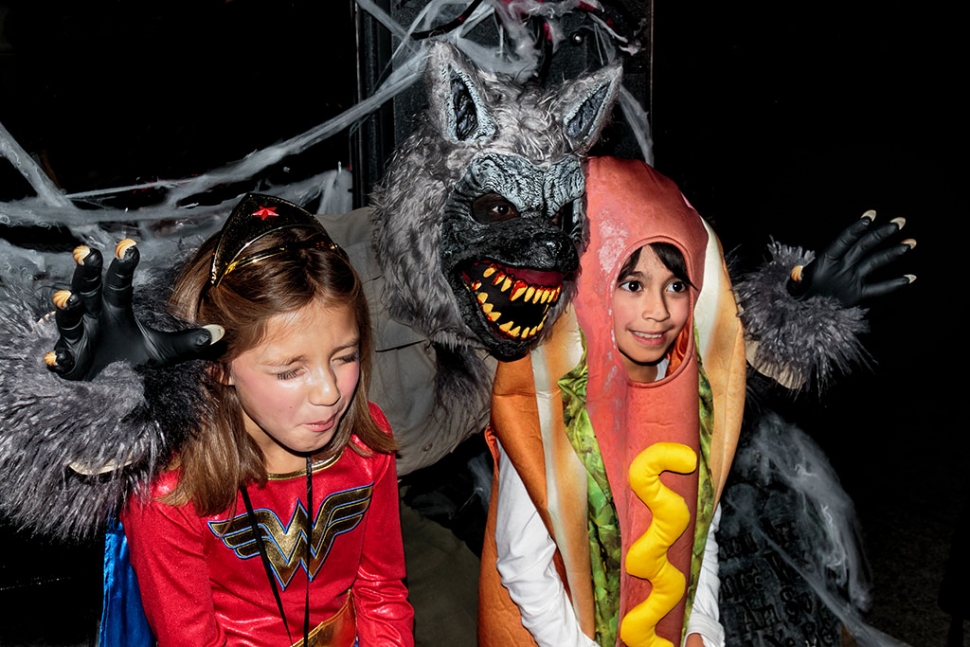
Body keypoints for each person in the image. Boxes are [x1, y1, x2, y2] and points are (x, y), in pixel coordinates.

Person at [118, 194, 414, 646]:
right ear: (218, 366)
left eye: (345, 357)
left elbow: (381, 592)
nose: (330, 392)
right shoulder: (171, 491)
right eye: (290, 371)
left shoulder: (365, 444)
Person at [479, 157, 750, 647]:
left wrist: (702, 626)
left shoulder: (692, 392)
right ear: (587, 287)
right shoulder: (552, 408)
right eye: (631, 284)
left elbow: (701, 523)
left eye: (676, 285)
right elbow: (522, 561)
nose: (658, 311)